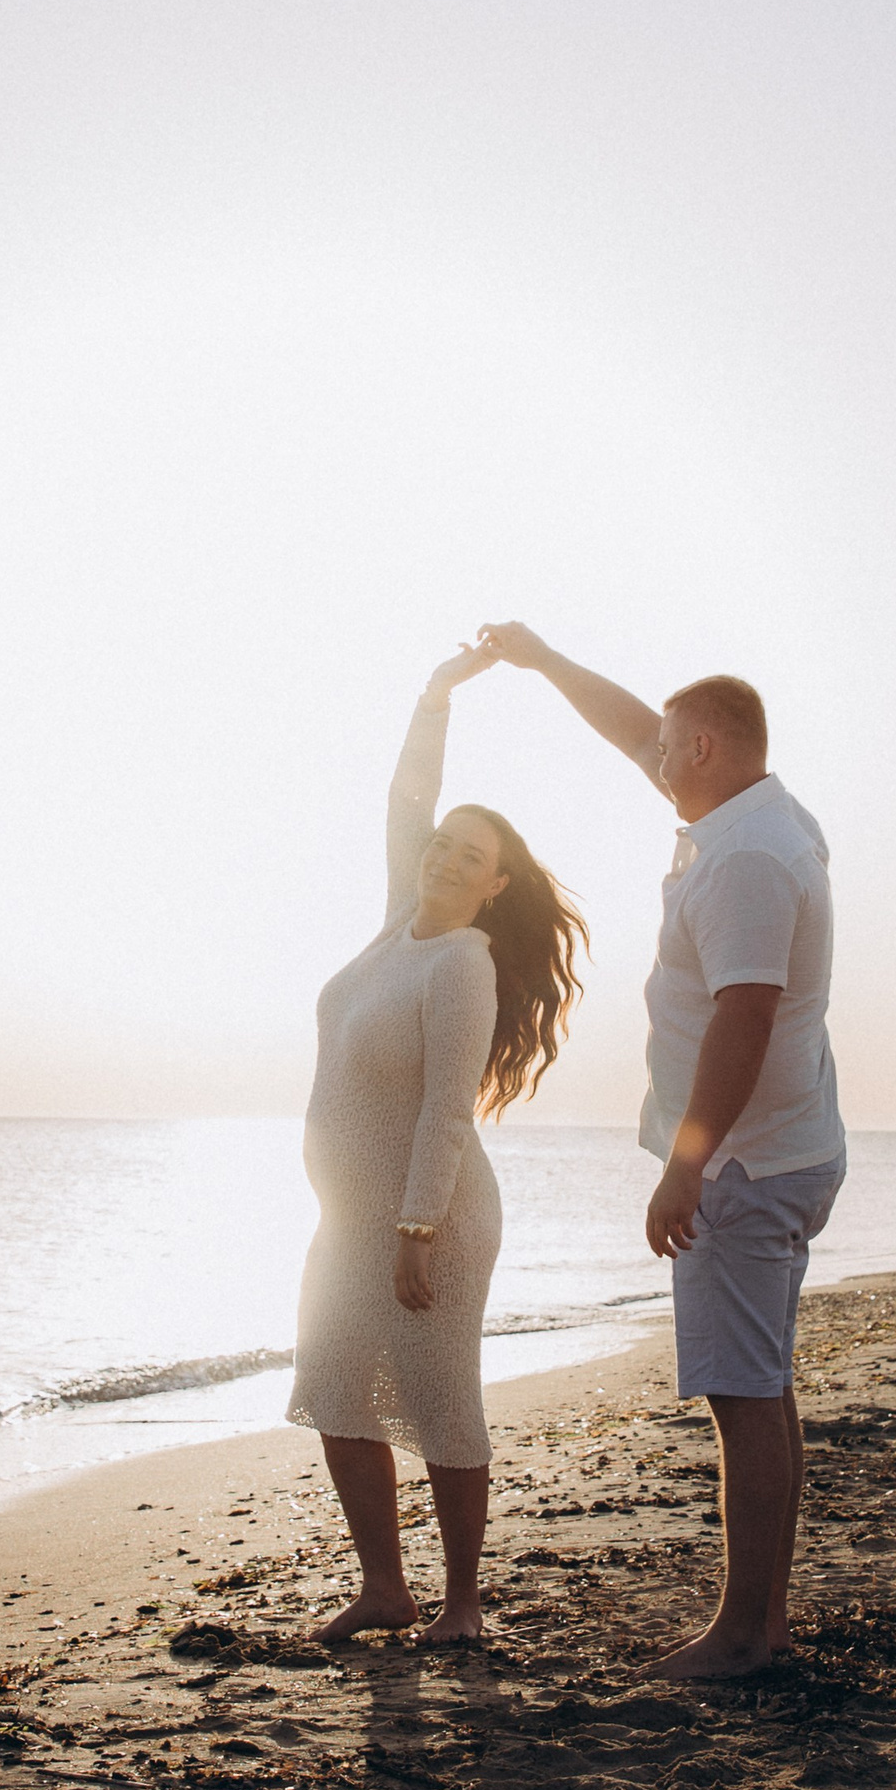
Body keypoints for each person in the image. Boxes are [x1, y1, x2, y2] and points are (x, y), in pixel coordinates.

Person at [478, 625, 843, 1679]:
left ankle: (741, 1633)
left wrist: (686, 1162)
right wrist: (545, 661)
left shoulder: (744, 858)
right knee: (765, 1386)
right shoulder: (756, 810)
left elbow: (746, 1015)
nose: (652, 759)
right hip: (788, 1146)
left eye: (669, 748)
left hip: (744, 1164)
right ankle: (764, 1622)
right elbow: (635, 727)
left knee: (743, 1398)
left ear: (706, 751)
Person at [289, 643, 588, 1645]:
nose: (447, 857)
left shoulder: (462, 963)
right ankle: (385, 1587)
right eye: (442, 843)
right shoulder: (391, 931)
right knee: (334, 1388)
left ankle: (461, 1604)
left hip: (433, 1214)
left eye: (471, 855)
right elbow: (404, 797)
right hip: (349, 1217)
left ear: (495, 885)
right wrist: (436, 694)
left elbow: (447, 1108)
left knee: (439, 1398)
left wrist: (416, 1226)